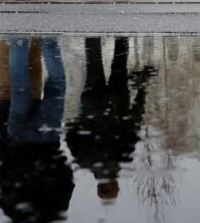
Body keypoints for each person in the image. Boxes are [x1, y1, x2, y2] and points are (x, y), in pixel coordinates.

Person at [0, 37, 74, 223]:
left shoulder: (54, 212)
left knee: (57, 85)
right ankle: (19, 37)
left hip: (47, 142)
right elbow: (2, 171)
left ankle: (49, 41)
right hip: (17, 137)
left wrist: (58, 157)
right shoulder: (9, 209)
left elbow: (67, 181)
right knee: (20, 83)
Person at [64, 36, 153, 202]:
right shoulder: (84, 160)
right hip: (92, 103)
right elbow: (69, 136)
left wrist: (142, 93)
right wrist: (82, 120)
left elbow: (133, 124)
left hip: (117, 102)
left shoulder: (122, 159)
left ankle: (122, 30)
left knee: (120, 59)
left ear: (116, 184)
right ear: (99, 185)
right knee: (93, 60)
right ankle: (92, 28)